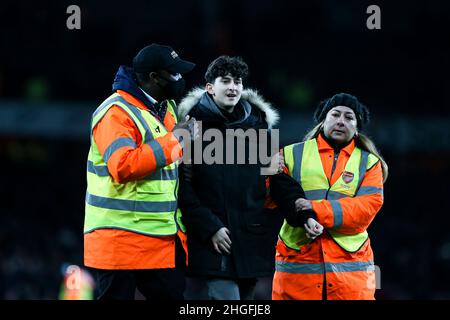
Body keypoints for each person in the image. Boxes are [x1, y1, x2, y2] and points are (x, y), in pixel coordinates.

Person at [83, 43, 198, 300]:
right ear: (154, 77)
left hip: (158, 239)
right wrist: (176, 140)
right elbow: (122, 166)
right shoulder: (115, 112)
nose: (180, 79)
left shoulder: (165, 108)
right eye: (174, 73)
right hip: (119, 240)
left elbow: (167, 164)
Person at [177, 56, 280, 300]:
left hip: (250, 239)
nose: (233, 87)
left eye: (238, 81)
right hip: (212, 239)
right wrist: (210, 227)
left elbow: (274, 180)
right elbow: (179, 186)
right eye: (226, 81)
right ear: (210, 87)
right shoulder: (188, 126)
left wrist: (300, 210)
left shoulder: (260, 127)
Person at [269, 93, 388, 300]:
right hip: (298, 270)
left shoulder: (370, 163)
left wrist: (312, 209)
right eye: (335, 115)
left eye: (349, 117)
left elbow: (365, 210)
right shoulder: (288, 153)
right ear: (324, 120)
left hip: (350, 279)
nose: (341, 121)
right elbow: (266, 197)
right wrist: (264, 171)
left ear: (357, 128)